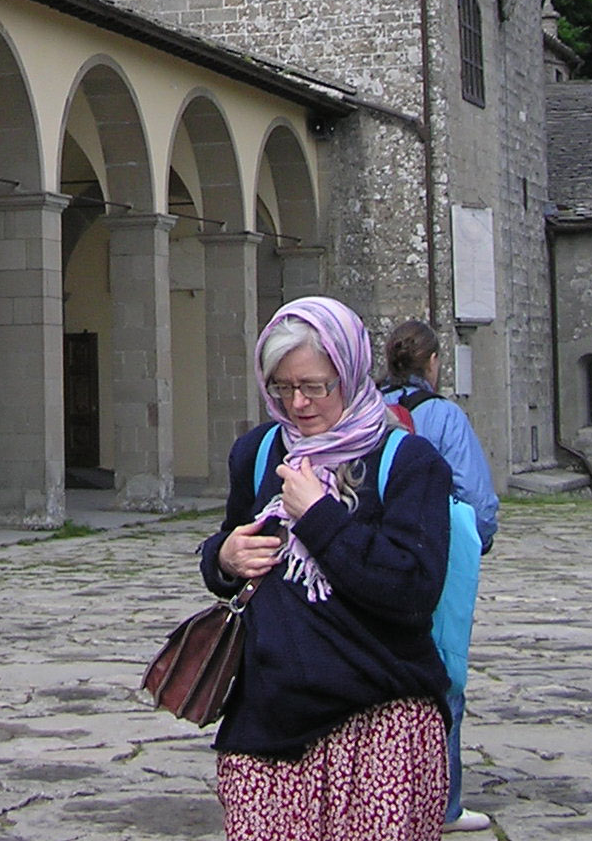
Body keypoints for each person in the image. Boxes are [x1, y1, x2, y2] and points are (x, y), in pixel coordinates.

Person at [200, 296, 455, 841]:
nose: (298, 404)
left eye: (316, 386)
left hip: (379, 718)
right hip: (268, 719)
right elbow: (230, 545)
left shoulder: (410, 463)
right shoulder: (258, 453)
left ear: (352, 372)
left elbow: (412, 590)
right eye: (282, 388)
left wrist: (318, 516)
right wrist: (223, 558)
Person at [381, 319, 499, 834]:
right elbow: (479, 500)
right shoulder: (445, 416)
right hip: (436, 555)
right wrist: (476, 543)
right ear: (432, 363)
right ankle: (443, 803)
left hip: (373, 555)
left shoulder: (370, 412)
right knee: (444, 670)